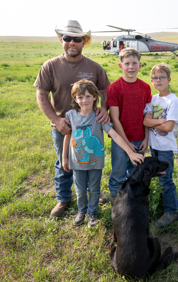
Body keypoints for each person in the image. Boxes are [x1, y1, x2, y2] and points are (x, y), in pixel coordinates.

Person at [34, 19, 111, 218]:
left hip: (91, 126)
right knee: (64, 162)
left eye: (77, 39)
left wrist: (104, 108)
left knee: (91, 157)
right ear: (62, 40)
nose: (72, 43)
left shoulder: (94, 67)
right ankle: (63, 198)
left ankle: (93, 193)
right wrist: (57, 120)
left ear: (84, 42)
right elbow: (41, 95)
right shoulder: (50, 66)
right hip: (63, 126)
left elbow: (105, 90)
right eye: (67, 38)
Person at [62, 80, 144, 227]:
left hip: (95, 163)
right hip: (77, 162)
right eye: (80, 97)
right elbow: (67, 136)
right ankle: (82, 211)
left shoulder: (99, 116)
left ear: (95, 97)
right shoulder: (70, 115)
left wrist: (130, 152)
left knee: (94, 189)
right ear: (75, 99)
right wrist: (64, 158)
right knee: (80, 190)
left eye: (88, 96)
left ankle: (92, 213)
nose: (84, 100)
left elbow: (115, 135)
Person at [106, 48, 152, 203]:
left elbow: (147, 116)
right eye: (127, 63)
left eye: (134, 63)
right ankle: (116, 204)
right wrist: (126, 143)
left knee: (136, 172)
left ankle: (133, 201)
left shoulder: (145, 87)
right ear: (121, 66)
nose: (131, 67)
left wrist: (146, 138)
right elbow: (115, 119)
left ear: (140, 65)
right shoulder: (115, 87)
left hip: (140, 139)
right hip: (120, 140)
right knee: (118, 173)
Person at [143, 63, 178, 228]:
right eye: (155, 78)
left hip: (166, 147)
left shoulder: (173, 100)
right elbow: (145, 121)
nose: (158, 80)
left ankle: (171, 212)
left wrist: (152, 123)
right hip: (154, 146)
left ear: (169, 79)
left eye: (161, 77)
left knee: (166, 180)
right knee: (157, 177)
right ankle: (162, 204)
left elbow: (169, 127)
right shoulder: (152, 99)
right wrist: (159, 121)